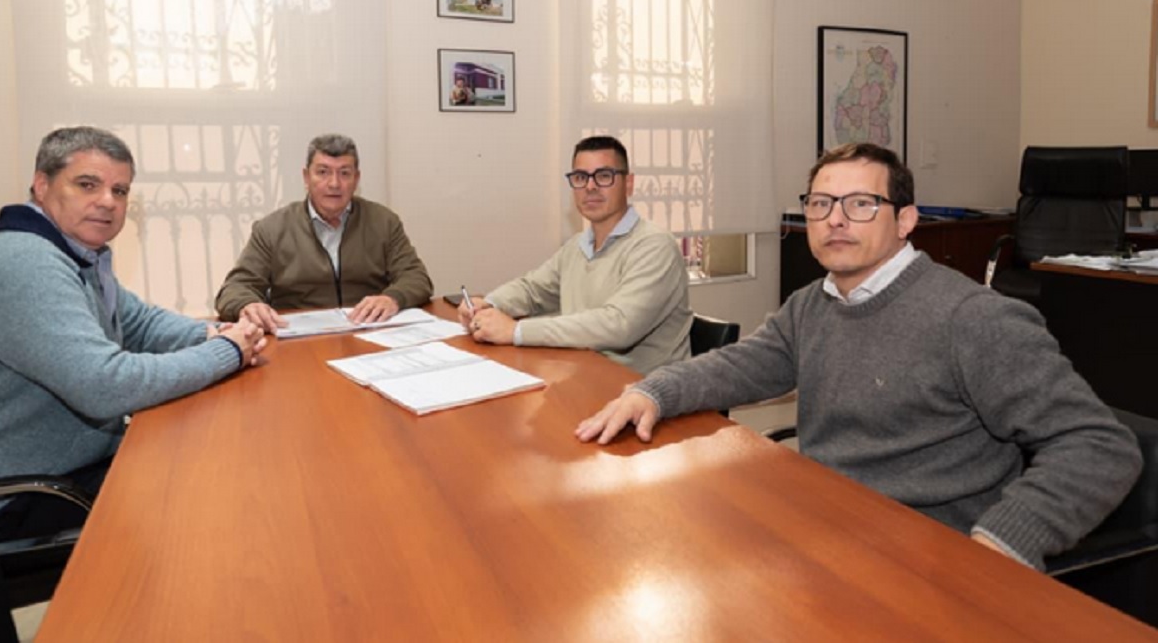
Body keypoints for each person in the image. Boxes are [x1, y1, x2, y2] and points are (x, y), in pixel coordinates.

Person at [576, 142, 1142, 570]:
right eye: (821, 204)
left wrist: (1003, 540)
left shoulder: (973, 319)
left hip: (928, 556)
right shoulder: (814, 303)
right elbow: (742, 364)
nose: (836, 219)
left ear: (906, 221)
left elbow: (1099, 446)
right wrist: (653, 391)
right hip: (827, 528)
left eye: (862, 204)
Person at [0, 126, 267, 540]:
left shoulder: (75, 255)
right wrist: (226, 352)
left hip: (52, 471)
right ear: (42, 185)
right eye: (88, 184)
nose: (108, 201)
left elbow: (140, 324)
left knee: (206, 463)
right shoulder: (23, 261)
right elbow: (105, 386)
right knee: (205, 500)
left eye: (120, 190)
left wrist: (221, 332)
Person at [460, 135, 692, 375]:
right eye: (581, 177)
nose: (590, 187)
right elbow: (532, 290)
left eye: (604, 176)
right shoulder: (577, 246)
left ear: (629, 183)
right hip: (584, 375)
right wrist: (490, 305)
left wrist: (516, 331)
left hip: (646, 389)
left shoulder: (655, 246)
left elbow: (619, 325)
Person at [215, 133, 432, 330]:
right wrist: (248, 305)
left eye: (344, 173)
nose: (334, 183)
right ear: (306, 177)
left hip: (369, 331)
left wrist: (392, 298)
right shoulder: (272, 229)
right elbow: (234, 288)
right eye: (323, 172)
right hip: (300, 340)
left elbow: (416, 277)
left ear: (356, 179)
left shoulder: (383, 221)